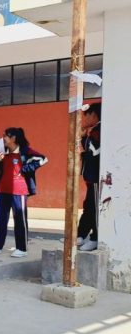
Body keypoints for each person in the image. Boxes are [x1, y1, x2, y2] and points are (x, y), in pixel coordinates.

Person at [0, 128, 47, 258]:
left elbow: (44, 159)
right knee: (0, 220)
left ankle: (21, 248)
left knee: (20, 219)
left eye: (5, 136)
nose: (3, 139)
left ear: (13, 138)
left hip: (19, 190)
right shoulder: (2, 151)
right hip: (2, 190)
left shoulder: (25, 151)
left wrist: (26, 168)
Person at [77, 103, 101, 252]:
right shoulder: (92, 132)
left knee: (95, 209)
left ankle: (95, 239)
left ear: (93, 115)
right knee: (89, 206)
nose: (84, 119)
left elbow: (96, 153)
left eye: (86, 115)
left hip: (96, 178)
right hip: (90, 178)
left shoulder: (98, 131)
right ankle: (81, 235)